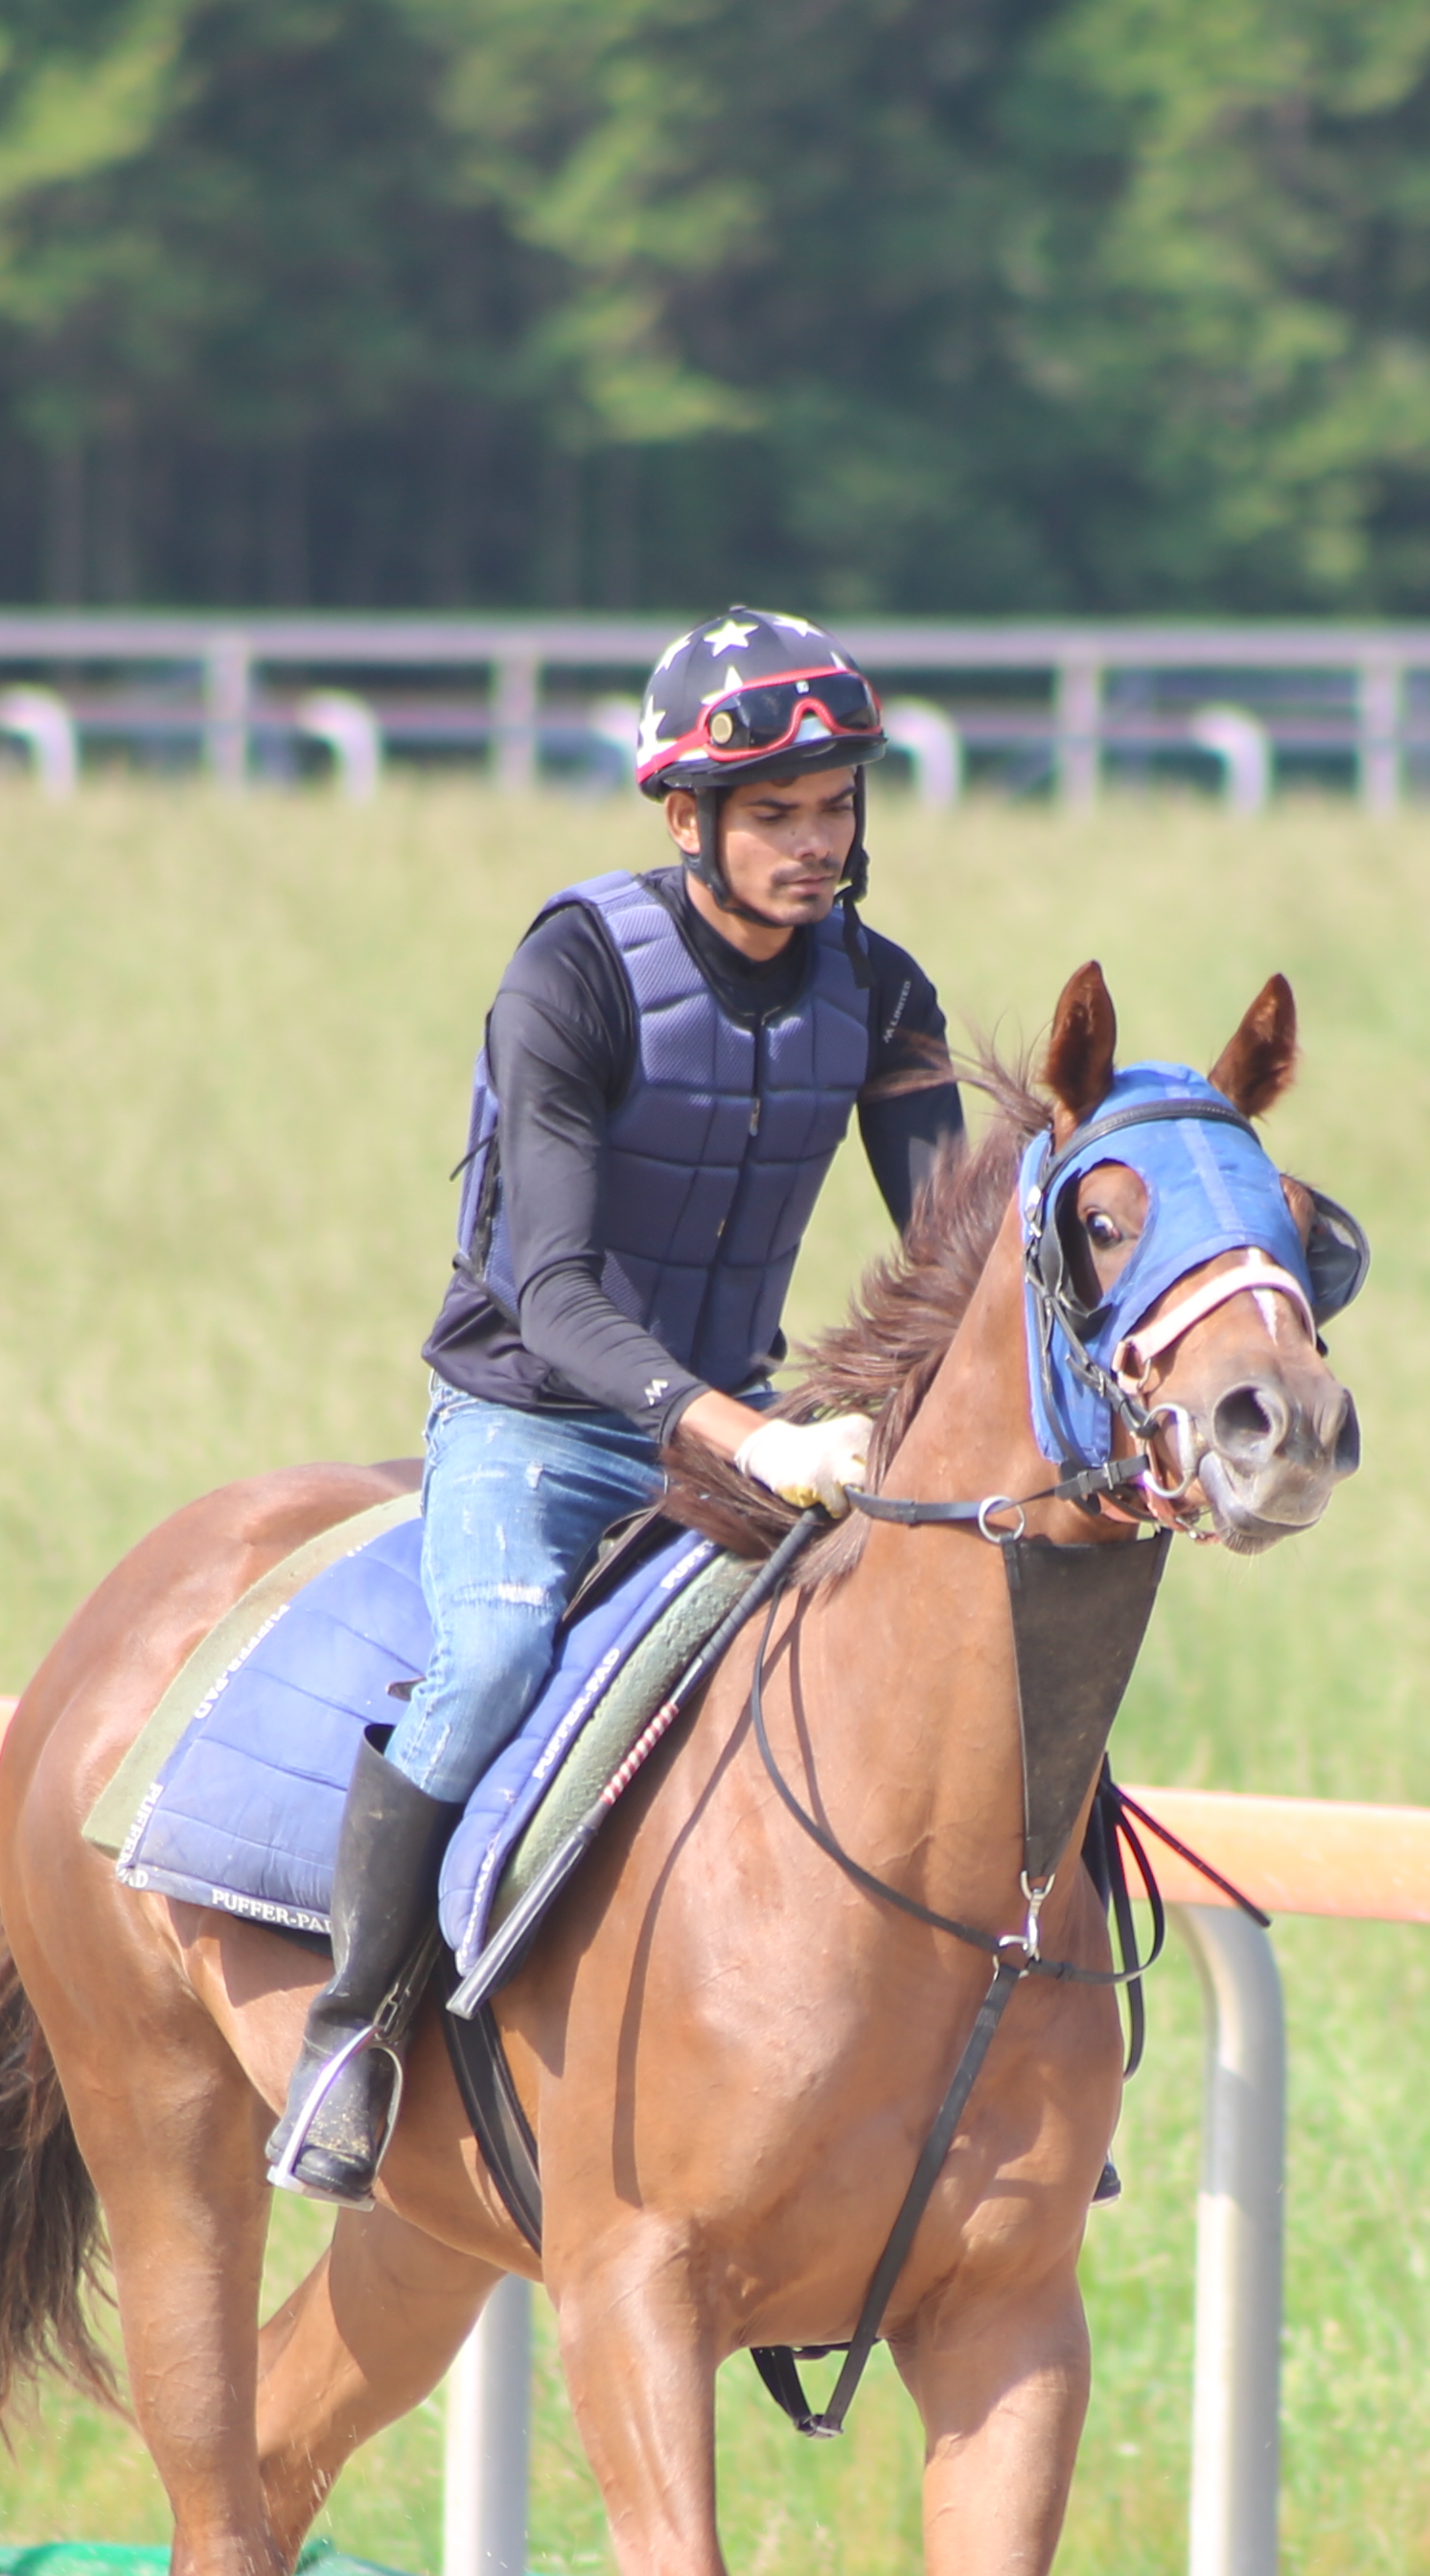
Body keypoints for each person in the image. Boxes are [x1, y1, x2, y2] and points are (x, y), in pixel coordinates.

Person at [266, 607, 966, 2201]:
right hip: (541, 1419)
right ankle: (352, 2034)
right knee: (500, 1652)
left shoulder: (886, 990)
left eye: (838, 807)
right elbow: (553, 1292)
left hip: (756, 1425)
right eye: (776, 813)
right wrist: (752, 1435)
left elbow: (955, 1250)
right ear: (686, 817)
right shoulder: (572, 969)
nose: (814, 844)